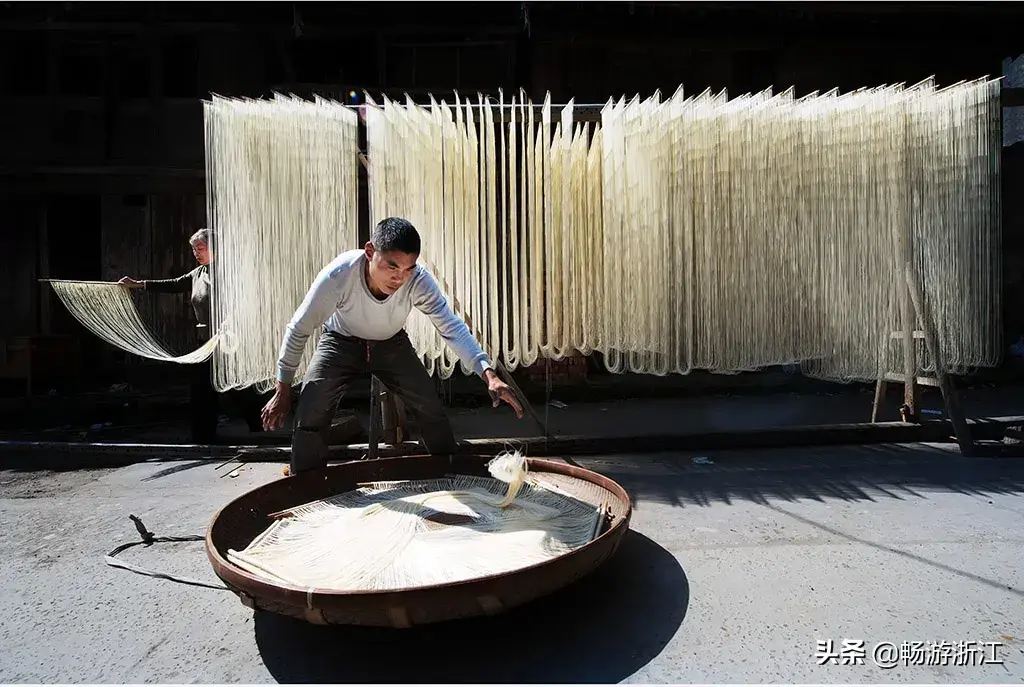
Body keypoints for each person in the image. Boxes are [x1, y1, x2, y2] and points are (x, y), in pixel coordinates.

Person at [261, 216, 524, 475]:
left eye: (408, 268)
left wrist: (488, 374)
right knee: (312, 407)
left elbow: (450, 327)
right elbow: (299, 328)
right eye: (392, 266)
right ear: (370, 252)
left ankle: (448, 472)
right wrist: (283, 388)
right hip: (340, 343)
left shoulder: (418, 281)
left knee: (429, 404)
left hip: (391, 344)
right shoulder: (338, 276)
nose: (399, 278)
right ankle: (305, 482)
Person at [118, 228, 264, 443]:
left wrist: (231, 319)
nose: (196, 253)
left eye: (201, 248)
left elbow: (244, 299)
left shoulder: (230, 272)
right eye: (194, 249)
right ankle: (204, 435)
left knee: (238, 388)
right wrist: (138, 285)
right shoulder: (198, 273)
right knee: (202, 390)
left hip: (230, 341)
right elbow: (175, 284)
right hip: (205, 341)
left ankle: (261, 427)